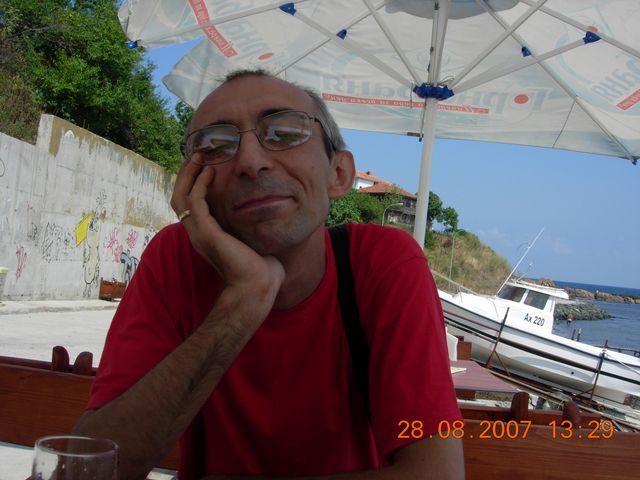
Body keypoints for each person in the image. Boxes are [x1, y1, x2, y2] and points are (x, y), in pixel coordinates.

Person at [73, 69, 464, 480]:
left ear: (339, 174)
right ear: (192, 187)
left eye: (284, 133)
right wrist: (245, 299)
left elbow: (437, 473)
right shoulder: (176, 258)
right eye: (215, 145)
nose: (250, 162)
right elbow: (92, 469)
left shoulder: (383, 262)